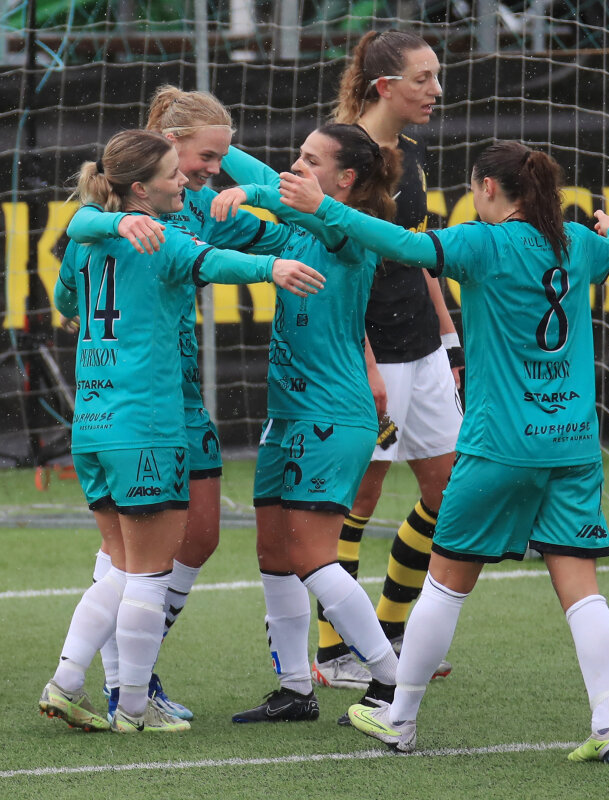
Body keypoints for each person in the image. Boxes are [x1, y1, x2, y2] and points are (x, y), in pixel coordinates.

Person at [270, 140, 609, 759]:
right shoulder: (581, 243)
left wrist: (323, 207)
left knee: (444, 585)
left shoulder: (481, 244)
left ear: (488, 189)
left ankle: (401, 719)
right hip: (573, 445)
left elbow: (401, 246)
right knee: (581, 587)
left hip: (499, 447)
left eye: (473, 188)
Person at [40, 129, 323, 734]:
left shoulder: (87, 242)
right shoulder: (161, 238)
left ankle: (66, 681)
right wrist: (273, 268)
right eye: (173, 174)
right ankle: (133, 707)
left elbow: (66, 301)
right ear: (140, 189)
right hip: (147, 424)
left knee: (121, 567)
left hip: (92, 424)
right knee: (148, 573)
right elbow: (213, 262)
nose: (184, 184)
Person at [212, 124, 406, 722]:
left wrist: (254, 193)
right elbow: (265, 186)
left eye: (310, 160)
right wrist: (210, 145)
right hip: (287, 415)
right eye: (297, 155)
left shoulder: (352, 232)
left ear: (345, 179)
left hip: (333, 416)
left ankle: (394, 682)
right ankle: (296, 689)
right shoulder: (298, 229)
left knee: (313, 555)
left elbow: (293, 203)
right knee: (273, 552)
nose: (295, 166)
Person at [311, 29, 462, 691]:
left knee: (447, 494)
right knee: (356, 500)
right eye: (423, 78)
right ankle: (335, 652)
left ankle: (388, 633)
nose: (436, 90)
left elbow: (420, 256)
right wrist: (366, 365)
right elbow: (339, 275)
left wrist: (450, 342)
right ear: (384, 86)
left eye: (436, 76)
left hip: (423, 351)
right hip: (368, 355)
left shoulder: (411, 155)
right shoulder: (343, 159)